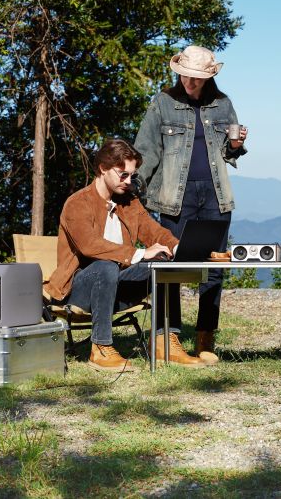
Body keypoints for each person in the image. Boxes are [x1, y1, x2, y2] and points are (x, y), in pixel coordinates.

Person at [46, 138, 206, 372]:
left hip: (116, 286)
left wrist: (182, 249)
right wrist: (140, 253)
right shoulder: (78, 203)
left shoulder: (128, 202)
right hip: (79, 290)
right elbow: (89, 246)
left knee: (164, 265)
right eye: (123, 174)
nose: (128, 181)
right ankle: (100, 347)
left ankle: (164, 343)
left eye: (131, 175)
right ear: (102, 168)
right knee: (106, 265)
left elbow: (155, 232)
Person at [134, 45, 247, 365]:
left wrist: (237, 145)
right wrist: (132, 188)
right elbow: (146, 151)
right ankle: (167, 340)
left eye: (196, 78)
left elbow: (229, 153)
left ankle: (205, 338)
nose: (189, 82)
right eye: (185, 75)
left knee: (213, 269)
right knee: (170, 267)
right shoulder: (162, 104)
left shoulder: (223, 105)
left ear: (208, 77)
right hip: (173, 198)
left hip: (215, 197)